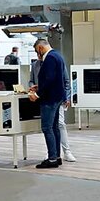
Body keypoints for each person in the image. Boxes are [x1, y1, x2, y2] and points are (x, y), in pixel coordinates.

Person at [28, 38, 67, 169]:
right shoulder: (58, 55)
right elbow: (56, 79)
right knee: (55, 127)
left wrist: (37, 94)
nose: (37, 54)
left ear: (40, 48)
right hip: (58, 97)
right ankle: (57, 157)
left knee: (47, 128)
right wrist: (39, 86)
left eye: (36, 51)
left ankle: (52, 159)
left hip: (49, 99)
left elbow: (49, 79)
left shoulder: (49, 58)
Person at [29, 55, 75, 162]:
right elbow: (31, 80)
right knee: (50, 126)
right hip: (43, 98)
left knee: (59, 124)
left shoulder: (55, 62)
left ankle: (66, 151)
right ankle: (52, 152)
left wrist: (67, 97)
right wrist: (34, 87)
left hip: (56, 98)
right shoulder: (35, 65)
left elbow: (66, 81)